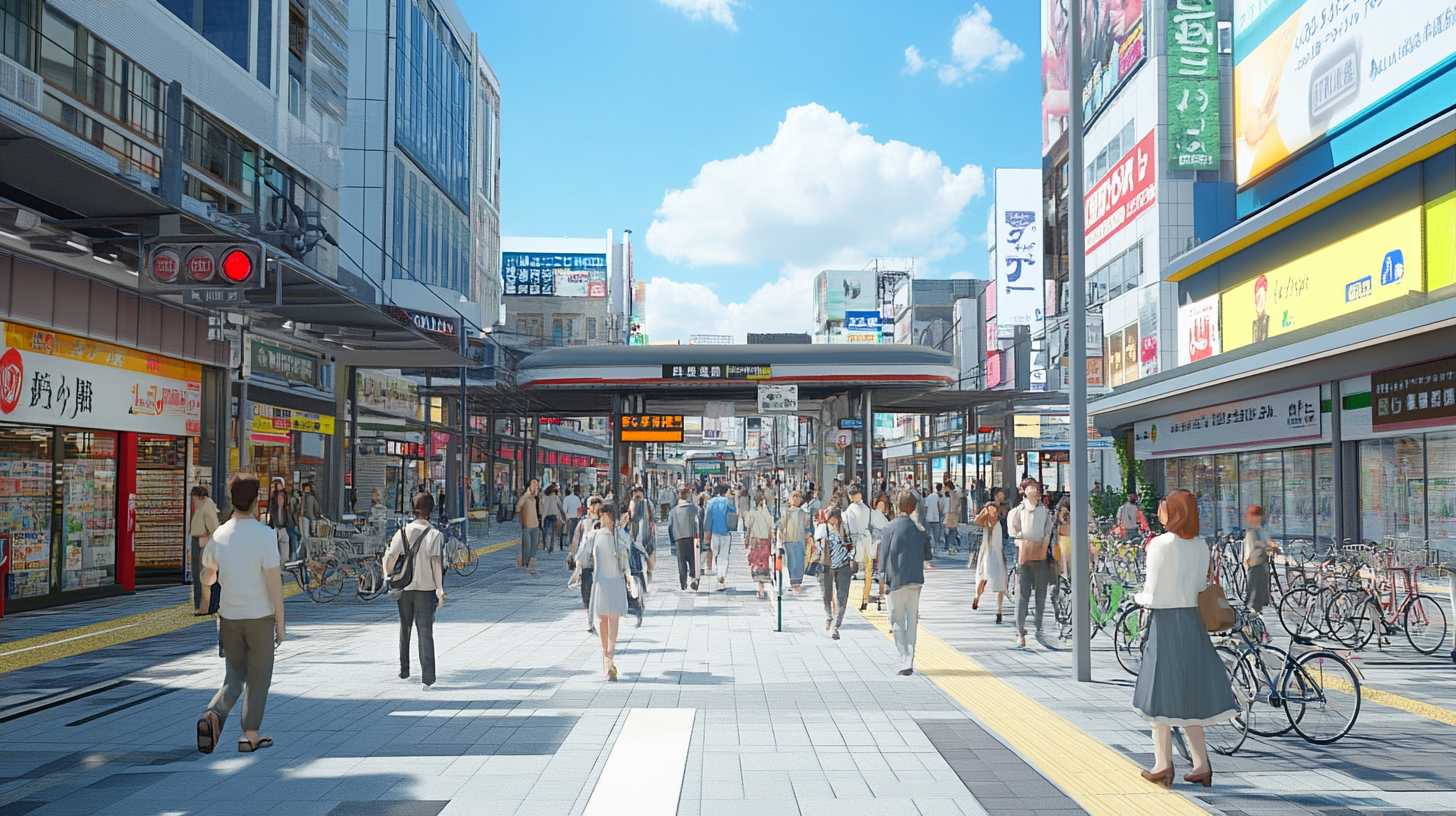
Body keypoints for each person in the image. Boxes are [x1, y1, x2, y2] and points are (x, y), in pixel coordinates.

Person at [1133, 490, 1239, 788]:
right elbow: (1198, 586)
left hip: (1166, 623)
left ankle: (1163, 764)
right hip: (1193, 622)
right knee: (1189, 695)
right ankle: (1201, 765)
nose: (1159, 513)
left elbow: (1152, 593)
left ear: (1175, 512)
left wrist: (1137, 596)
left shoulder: (1159, 545)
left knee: (1159, 694)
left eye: (1163, 508)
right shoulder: (1202, 546)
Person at [196, 472, 284, 755]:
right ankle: (249, 734)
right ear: (256, 500)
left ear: (230, 498)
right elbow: (274, 584)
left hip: (229, 617)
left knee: (234, 675)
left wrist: (212, 578)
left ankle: (212, 713)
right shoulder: (265, 535)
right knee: (259, 676)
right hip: (259, 617)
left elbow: (207, 575)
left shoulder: (220, 534)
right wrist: (280, 622)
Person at [384, 492, 446, 687]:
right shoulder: (435, 534)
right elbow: (436, 563)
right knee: (425, 631)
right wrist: (439, 589)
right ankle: (428, 677)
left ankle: (404, 669)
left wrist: (389, 576)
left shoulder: (402, 532)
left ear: (413, 508)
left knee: (405, 627)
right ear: (431, 510)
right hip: (426, 589)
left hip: (405, 587)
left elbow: (390, 557)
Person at [879, 490, 934, 675]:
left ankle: (904, 658)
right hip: (916, 580)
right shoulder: (919, 529)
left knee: (897, 620)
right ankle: (910, 655)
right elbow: (928, 554)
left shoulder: (889, 527)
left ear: (896, 505)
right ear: (913, 508)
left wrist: (881, 579)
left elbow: (883, 558)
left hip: (895, 580)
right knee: (912, 620)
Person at [579, 506, 631, 681]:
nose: (604, 520)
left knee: (614, 615)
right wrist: (576, 569)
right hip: (600, 581)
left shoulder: (619, 534)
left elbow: (627, 555)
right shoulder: (594, 535)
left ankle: (610, 653)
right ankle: (605, 655)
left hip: (616, 580)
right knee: (602, 618)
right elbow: (583, 555)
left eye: (607, 516)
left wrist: (630, 579)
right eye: (602, 517)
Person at [1009, 478, 1054, 648]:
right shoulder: (1018, 511)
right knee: (1023, 595)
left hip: (1041, 556)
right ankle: (1020, 631)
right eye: (1031, 488)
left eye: (1037, 488)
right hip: (1024, 557)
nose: (1035, 491)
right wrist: (1021, 542)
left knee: (1041, 595)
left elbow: (1049, 529)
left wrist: (1045, 542)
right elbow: (1013, 533)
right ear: (1024, 491)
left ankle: (1039, 626)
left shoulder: (1045, 511)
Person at [817, 507, 855, 640]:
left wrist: (851, 555)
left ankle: (836, 625)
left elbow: (851, 545)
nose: (830, 521)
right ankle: (829, 615)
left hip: (844, 566)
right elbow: (817, 547)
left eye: (832, 518)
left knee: (842, 597)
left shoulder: (845, 529)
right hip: (827, 566)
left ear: (837, 517)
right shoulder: (823, 528)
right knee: (826, 594)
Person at [568, 496, 604, 633]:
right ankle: (589, 619)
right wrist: (571, 553)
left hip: (601, 559)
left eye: (598, 503)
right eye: (593, 503)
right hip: (586, 560)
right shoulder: (583, 521)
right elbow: (576, 538)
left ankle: (599, 616)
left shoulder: (605, 520)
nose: (596, 506)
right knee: (586, 589)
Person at [972, 499, 1008, 624]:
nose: (993, 511)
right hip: (987, 552)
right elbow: (976, 521)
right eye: (990, 509)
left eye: (994, 509)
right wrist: (984, 512)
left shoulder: (999, 520)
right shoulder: (986, 521)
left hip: (998, 552)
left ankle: (999, 610)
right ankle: (977, 596)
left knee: (1001, 581)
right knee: (984, 578)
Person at [1243, 505, 1279, 614]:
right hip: (1256, 563)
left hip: (1259, 563)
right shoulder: (1253, 531)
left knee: (1257, 588)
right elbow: (1257, 544)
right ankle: (1253, 611)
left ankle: (1255, 611)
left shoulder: (1259, 531)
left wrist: (1271, 546)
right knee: (1254, 588)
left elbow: (1261, 543)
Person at [189, 485, 220, 614]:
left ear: (200, 497)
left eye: (195, 498)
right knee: (198, 575)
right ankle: (200, 605)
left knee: (202, 575)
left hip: (203, 543)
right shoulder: (202, 507)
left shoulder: (206, 507)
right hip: (199, 541)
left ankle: (204, 606)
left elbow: (214, 528)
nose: (193, 501)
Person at [778, 491, 812, 594]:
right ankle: (794, 582)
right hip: (790, 540)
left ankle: (797, 582)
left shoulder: (802, 513)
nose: (796, 499)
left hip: (797, 540)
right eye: (794, 497)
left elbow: (807, 526)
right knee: (793, 561)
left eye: (798, 497)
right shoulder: (786, 512)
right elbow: (781, 526)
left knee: (798, 561)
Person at [668, 488, 700, 590]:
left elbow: (670, 526)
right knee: (692, 559)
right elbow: (698, 523)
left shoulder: (673, 511)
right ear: (687, 496)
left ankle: (683, 582)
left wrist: (672, 539)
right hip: (692, 537)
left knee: (681, 561)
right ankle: (693, 579)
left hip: (679, 538)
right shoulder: (694, 509)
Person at [744, 494, 775, 598]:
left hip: (756, 541)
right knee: (764, 564)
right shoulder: (767, 513)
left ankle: (761, 589)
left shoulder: (753, 513)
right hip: (766, 541)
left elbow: (748, 527)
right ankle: (769, 585)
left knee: (757, 564)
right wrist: (771, 541)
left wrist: (746, 540)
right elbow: (771, 529)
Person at [706, 484, 735, 590]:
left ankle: (716, 568)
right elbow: (734, 511)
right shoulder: (727, 501)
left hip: (714, 532)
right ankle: (721, 576)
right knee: (724, 556)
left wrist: (707, 532)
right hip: (726, 532)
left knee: (715, 553)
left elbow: (708, 518)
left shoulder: (710, 503)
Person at [265, 481, 297, 562]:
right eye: (278, 496)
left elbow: (290, 520)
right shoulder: (273, 509)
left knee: (285, 554)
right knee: (274, 554)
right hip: (274, 529)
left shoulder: (286, 508)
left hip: (283, 529)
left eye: (282, 496)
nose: (280, 498)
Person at [517, 479, 542, 574]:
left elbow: (539, 511)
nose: (536, 485)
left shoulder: (536, 498)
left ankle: (530, 565)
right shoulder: (525, 497)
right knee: (527, 547)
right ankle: (524, 563)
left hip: (535, 526)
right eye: (534, 483)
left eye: (537, 483)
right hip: (527, 526)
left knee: (534, 547)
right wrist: (525, 496)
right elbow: (518, 507)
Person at [943, 481, 962, 554]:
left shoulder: (948, 495)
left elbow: (945, 505)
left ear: (948, 487)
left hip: (949, 514)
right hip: (955, 514)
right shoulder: (957, 494)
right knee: (953, 531)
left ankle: (950, 545)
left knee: (948, 531)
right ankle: (952, 545)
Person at [924, 483, 944, 552]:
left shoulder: (929, 497)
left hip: (928, 518)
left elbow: (926, 507)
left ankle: (930, 548)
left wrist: (925, 516)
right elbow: (940, 508)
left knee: (929, 534)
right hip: (937, 518)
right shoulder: (940, 497)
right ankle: (936, 547)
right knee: (936, 534)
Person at [562, 487, 583, 553]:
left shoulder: (566, 498)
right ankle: (573, 543)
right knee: (574, 531)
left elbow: (564, 509)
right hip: (576, 516)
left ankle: (569, 543)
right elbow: (579, 507)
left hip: (569, 516)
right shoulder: (577, 498)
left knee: (568, 530)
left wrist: (565, 516)